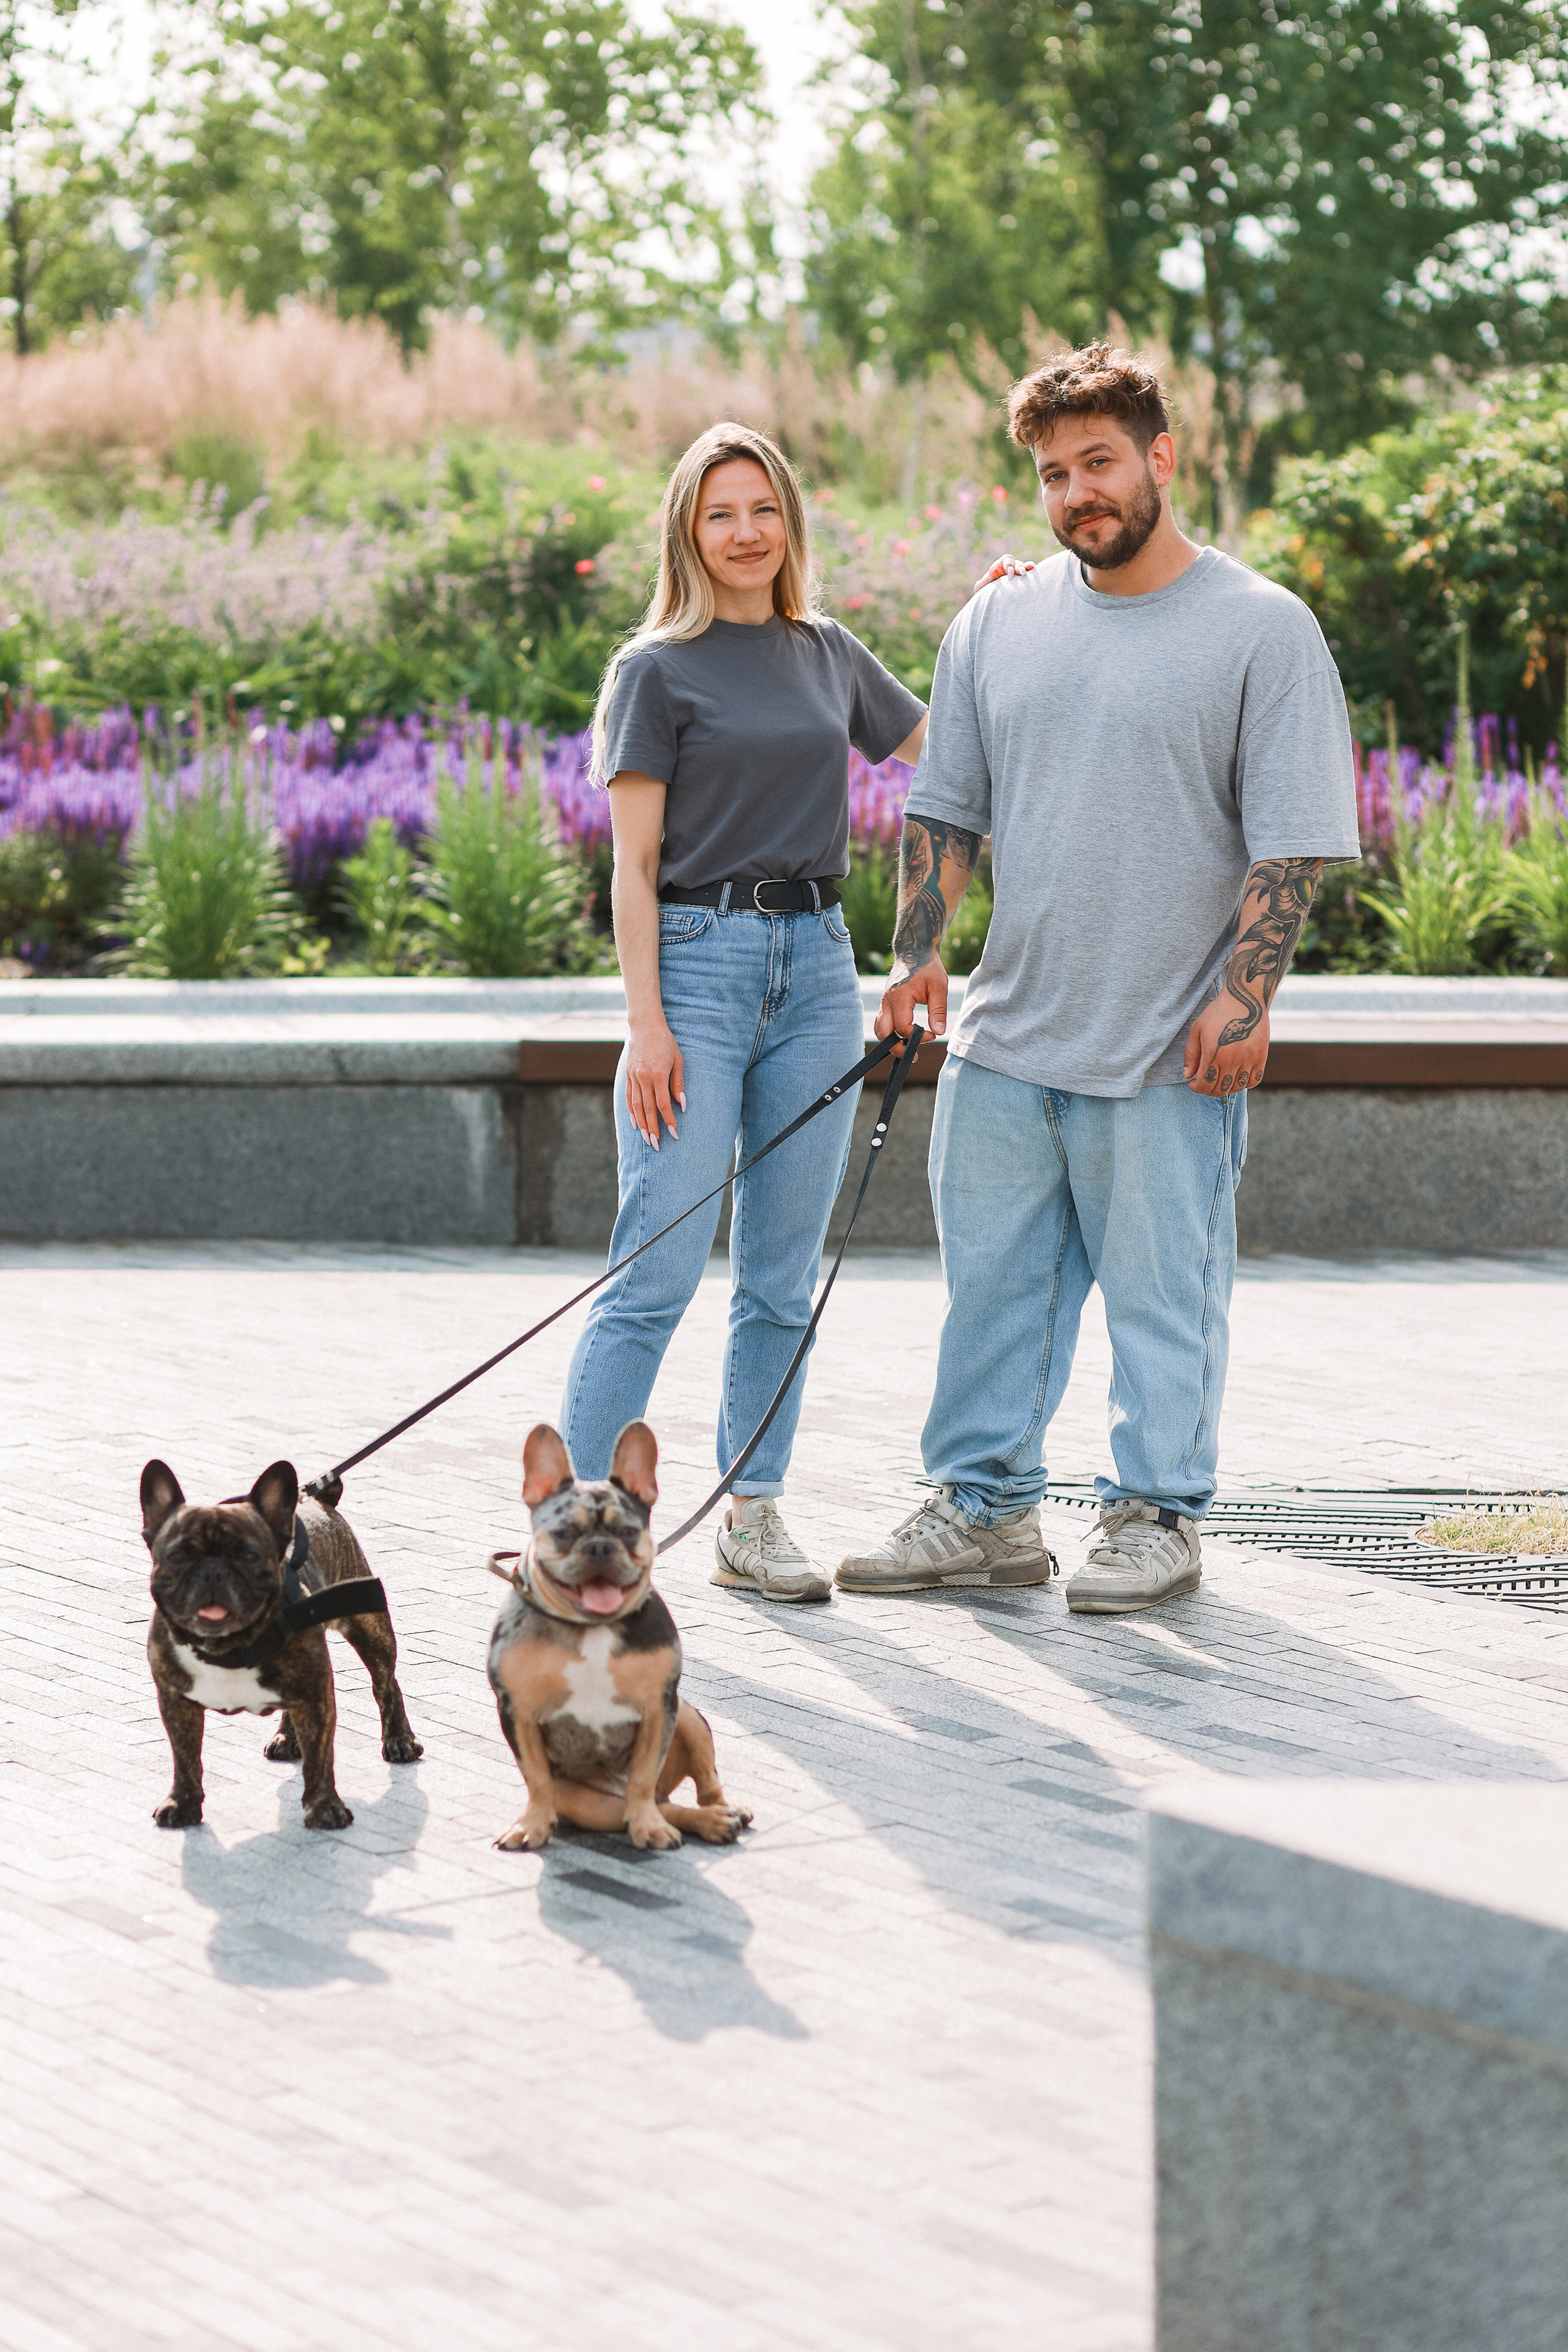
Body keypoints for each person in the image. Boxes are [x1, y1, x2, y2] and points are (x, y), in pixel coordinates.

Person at [836, 343, 1360, 1609]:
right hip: (1009, 1036)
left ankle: (1155, 1513)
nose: (1077, 493)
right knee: (990, 1301)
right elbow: (945, 810)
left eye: (1100, 462)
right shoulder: (996, 621)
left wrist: (1244, 999)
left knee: (1163, 1301)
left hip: (1168, 1044)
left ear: (1160, 458)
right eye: (1053, 473)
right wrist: (916, 953)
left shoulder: (1261, 627)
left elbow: (1291, 840)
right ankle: (982, 1511)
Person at [561, 421, 928, 1604]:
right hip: (696, 967)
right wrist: (647, 1024)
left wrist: (1000, 618)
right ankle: (574, 1533)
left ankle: (753, 1515)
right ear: (688, 531)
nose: (745, 532)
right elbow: (631, 867)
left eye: (763, 509)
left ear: (790, 521)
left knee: (779, 1276)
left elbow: (949, 748)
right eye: (720, 513)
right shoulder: (654, 670)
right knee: (655, 1272)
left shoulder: (828, 653)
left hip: (817, 970)